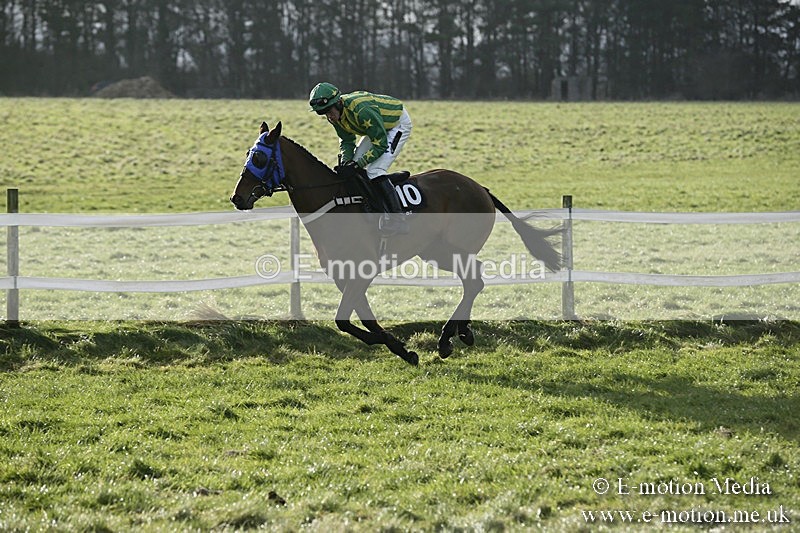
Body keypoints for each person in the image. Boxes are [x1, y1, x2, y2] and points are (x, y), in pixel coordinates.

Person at [309, 82, 412, 235]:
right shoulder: (335, 117)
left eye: (329, 111)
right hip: (377, 126)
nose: (328, 116)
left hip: (396, 124)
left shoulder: (362, 110)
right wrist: (346, 163)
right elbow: (347, 141)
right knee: (353, 169)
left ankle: (398, 220)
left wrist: (359, 164)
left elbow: (381, 144)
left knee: (375, 170)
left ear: (338, 103)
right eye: (323, 113)